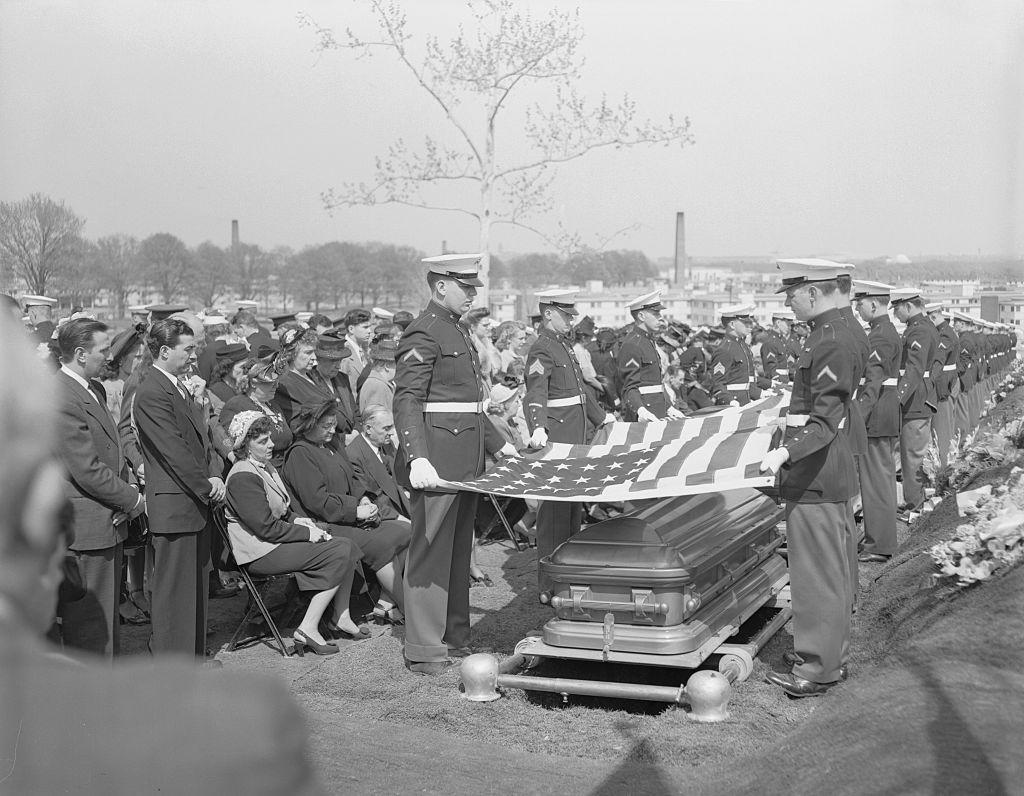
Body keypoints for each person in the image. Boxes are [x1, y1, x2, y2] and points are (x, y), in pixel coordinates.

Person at [393, 253, 517, 675]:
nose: (472, 294)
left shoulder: (456, 330)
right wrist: (417, 456)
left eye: (473, 287)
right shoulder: (424, 331)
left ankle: (454, 636)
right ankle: (425, 647)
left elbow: (470, 404)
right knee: (430, 555)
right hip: (438, 460)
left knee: (458, 551)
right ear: (441, 285)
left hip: (465, 459)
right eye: (466, 287)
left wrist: (498, 445)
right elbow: (407, 399)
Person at [760, 260, 858, 697]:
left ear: (814, 293)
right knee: (832, 569)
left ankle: (817, 669)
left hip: (816, 469)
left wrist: (784, 452)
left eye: (792, 295)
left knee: (817, 575)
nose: (789, 302)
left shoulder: (831, 339)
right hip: (824, 465)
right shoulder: (832, 331)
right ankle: (825, 652)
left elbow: (825, 420)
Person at [224, 411, 363, 654]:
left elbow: (282, 512)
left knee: (346, 544)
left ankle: (340, 616)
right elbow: (265, 527)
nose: (271, 445)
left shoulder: (264, 467)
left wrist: (304, 522)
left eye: (270, 438)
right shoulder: (243, 476)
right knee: (339, 550)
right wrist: (306, 534)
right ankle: (308, 627)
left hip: (273, 544)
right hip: (259, 553)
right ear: (245, 446)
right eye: (262, 441)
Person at [54, 319, 147, 659]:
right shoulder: (62, 396)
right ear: (80, 354)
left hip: (106, 521)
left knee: (105, 626)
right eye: (103, 349)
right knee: (90, 630)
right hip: (86, 529)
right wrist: (133, 499)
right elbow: (86, 469)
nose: (110, 356)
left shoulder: (92, 388)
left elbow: (111, 453)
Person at [133, 318, 225, 660]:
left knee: (194, 589)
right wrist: (209, 486)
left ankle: (192, 657)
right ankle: (172, 665)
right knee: (174, 592)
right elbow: (175, 452)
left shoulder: (175, 386)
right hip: (177, 506)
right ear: (165, 351)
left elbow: (197, 443)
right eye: (188, 349)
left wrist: (210, 480)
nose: (194, 355)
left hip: (190, 504)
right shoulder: (152, 391)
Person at [282, 401, 410, 623]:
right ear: (309, 426)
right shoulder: (300, 454)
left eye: (334, 424)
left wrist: (364, 500)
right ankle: (410, 609)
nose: (333, 430)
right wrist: (356, 511)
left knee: (407, 532)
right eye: (327, 425)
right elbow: (317, 501)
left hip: (350, 515)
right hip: (327, 523)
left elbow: (352, 479)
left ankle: (386, 601)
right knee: (383, 546)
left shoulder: (331, 445)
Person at [524, 289, 613, 590]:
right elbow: (535, 390)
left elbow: (579, 393)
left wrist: (601, 418)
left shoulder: (564, 346)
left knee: (571, 510)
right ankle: (550, 583)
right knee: (553, 515)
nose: (571, 319)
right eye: (566, 314)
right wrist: (537, 426)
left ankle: (568, 573)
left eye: (572, 314)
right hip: (558, 437)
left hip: (574, 438)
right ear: (548, 313)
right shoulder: (542, 348)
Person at [853, 281, 902, 563]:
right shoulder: (883, 331)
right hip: (883, 411)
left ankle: (880, 545)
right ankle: (882, 541)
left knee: (875, 483)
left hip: (876, 414)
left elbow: (873, 381)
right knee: (879, 480)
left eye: (860, 303)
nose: (858, 308)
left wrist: (858, 416)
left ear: (873, 304)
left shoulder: (880, 336)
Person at [891, 289, 940, 514]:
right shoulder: (918, 327)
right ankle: (915, 501)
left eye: (897, 308)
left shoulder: (919, 331)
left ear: (909, 306)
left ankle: (915, 505)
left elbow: (913, 370)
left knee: (913, 457)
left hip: (915, 401)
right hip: (917, 398)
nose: (895, 314)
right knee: (910, 455)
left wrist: (897, 398)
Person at [617, 290, 683, 421]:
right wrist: (640, 410)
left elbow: (657, 383)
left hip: (658, 411)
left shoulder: (648, 341)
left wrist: (668, 407)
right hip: (644, 414)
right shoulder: (632, 344)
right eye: (655, 313)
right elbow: (629, 386)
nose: (660, 317)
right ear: (641, 316)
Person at [220, 361, 294, 469]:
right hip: (261, 469)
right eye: (270, 382)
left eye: (277, 382)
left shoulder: (273, 404)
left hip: (286, 467)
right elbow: (229, 442)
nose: (276, 386)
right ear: (253, 382)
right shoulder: (237, 405)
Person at [348, 404, 412, 520]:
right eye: (386, 428)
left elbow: (400, 479)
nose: (392, 433)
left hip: (405, 505)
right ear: (368, 429)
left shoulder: (386, 445)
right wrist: (399, 518)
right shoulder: (354, 456)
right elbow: (367, 498)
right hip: (385, 516)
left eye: (392, 427)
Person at [274, 327, 333, 431]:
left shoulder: (313, 375)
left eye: (314, 352)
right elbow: (297, 424)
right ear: (291, 354)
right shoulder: (285, 384)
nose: (314, 357)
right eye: (308, 352)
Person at [926, 302, 959, 468]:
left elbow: (937, 361)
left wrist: (929, 381)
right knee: (942, 429)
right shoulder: (943, 331)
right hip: (944, 385)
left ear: (933, 316)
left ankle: (943, 470)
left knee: (942, 431)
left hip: (941, 387)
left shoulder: (945, 335)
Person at [309, 330, 359, 441]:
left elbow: (355, 411)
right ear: (319, 359)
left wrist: (356, 431)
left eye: (340, 361)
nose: (338, 366)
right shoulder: (311, 382)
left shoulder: (342, 378)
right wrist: (343, 438)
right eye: (333, 361)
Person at [708, 303, 763, 405]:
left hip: (745, 401)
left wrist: (760, 394)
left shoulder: (743, 346)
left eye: (750, 322)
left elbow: (748, 380)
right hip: (732, 404)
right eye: (746, 323)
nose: (750, 326)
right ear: (732, 325)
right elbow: (717, 384)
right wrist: (729, 400)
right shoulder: (725, 350)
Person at [359, 336, 398, 415]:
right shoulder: (377, 386)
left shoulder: (378, 383)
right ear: (387, 366)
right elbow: (378, 421)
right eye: (396, 364)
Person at [338, 308, 373, 393]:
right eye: (365, 327)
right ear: (351, 329)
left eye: (369, 327)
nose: (369, 331)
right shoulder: (343, 353)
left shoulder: (364, 349)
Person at [761, 310, 794, 384]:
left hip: (785, 380)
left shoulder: (782, 340)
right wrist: (782, 385)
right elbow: (770, 370)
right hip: (777, 384)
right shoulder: (770, 342)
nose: (789, 328)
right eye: (787, 325)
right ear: (778, 323)